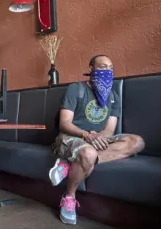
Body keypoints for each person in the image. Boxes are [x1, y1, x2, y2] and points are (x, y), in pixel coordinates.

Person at [49, 55, 145, 225]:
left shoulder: (114, 96)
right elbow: (64, 124)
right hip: (72, 137)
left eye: (110, 68)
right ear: (91, 69)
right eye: (102, 67)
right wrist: (87, 135)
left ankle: (71, 164)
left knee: (137, 142)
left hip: (97, 138)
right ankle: (69, 197)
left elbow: (109, 129)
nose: (107, 72)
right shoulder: (75, 89)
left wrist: (99, 137)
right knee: (88, 151)